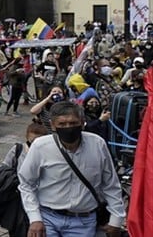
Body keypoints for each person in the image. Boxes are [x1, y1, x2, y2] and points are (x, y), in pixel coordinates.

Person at [18, 101, 125, 237]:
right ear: (53, 125)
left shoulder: (97, 144)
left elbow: (111, 184)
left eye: (73, 123)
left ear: (82, 122)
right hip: (48, 218)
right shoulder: (41, 146)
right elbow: (27, 183)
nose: (68, 128)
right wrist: (35, 218)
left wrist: (116, 219)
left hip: (83, 222)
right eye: (62, 124)